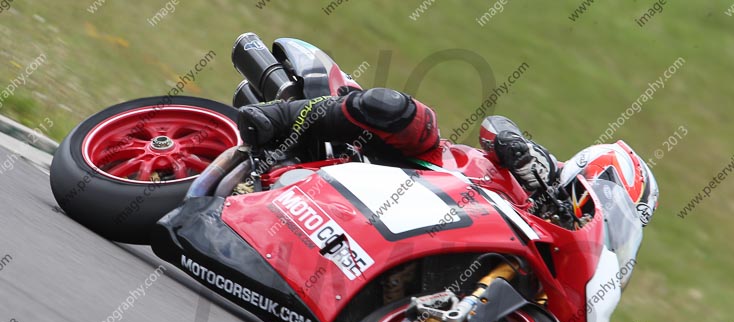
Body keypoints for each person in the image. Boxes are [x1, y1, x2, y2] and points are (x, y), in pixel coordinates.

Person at [236, 87, 658, 227]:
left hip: (421, 226)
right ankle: (273, 118)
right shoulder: (544, 168)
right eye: (612, 207)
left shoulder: (563, 247)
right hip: (427, 168)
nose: (605, 219)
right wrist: (515, 149)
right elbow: (495, 125)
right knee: (404, 112)